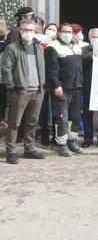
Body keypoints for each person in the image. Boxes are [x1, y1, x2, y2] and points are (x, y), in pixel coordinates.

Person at [1, 19, 46, 164]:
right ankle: (11, 151)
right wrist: (12, 87)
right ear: (20, 31)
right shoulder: (12, 48)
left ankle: (29, 148)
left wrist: (43, 86)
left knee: (32, 122)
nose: (28, 33)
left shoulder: (38, 48)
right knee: (14, 123)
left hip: (38, 91)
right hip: (21, 91)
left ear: (35, 31)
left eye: (31, 30)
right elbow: (6, 69)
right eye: (25, 30)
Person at [45, 23, 85, 156]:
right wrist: (56, 85)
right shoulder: (53, 47)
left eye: (70, 32)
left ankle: (71, 141)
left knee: (74, 117)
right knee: (61, 117)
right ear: (59, 33)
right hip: (62, 88)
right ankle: (61, 144)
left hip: (76, 87)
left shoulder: (76, 47)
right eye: (64, 31)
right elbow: (51, 69)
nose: (67, 34)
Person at [81, 27, 98, 148]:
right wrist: (90, 58)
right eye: (93, 37)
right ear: (89, 38)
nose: (96, 39)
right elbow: (80, 65)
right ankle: (88, 139)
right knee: (87, 115)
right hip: (88, 87)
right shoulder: (83, 50)